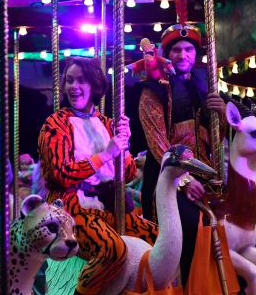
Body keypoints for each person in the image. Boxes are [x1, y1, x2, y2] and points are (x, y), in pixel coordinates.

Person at [38, 57, 158, 295]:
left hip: (107, 205)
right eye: (69, 81)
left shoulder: (106, 123)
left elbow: (129, 172)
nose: (73, 86)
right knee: (112, 249)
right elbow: (61, 174)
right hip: (71, 207)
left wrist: (123, 148)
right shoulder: (56, 124)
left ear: (94, 85)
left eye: (81, 80)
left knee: (156, 237)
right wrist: (105, 155)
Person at [138, 23, 226, 285]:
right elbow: (158, 144)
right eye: (176, 50)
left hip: (205, 179)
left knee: (252, 223)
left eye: (189, 49)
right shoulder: (153, 91)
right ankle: (188, 285)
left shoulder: (202, 91)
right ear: (167, 54)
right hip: (169, 182)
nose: (183, 55)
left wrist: (219, 114)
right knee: (190, 224)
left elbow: (214, 144)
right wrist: (184, 180)